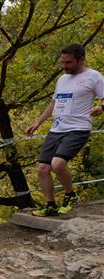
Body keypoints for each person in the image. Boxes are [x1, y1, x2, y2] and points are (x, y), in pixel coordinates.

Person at [25, 44, 104, 217]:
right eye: (62, 62)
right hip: (57, 129)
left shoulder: (94, 77)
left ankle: (70, 195)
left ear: (81, 59)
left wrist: (100, 107)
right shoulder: (62, 79)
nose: (64, 66)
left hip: (78, 128)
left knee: (57, 164)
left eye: (68, 62)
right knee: (43, 168)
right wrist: (38, 122)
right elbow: (54, 103)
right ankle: (50, 205)